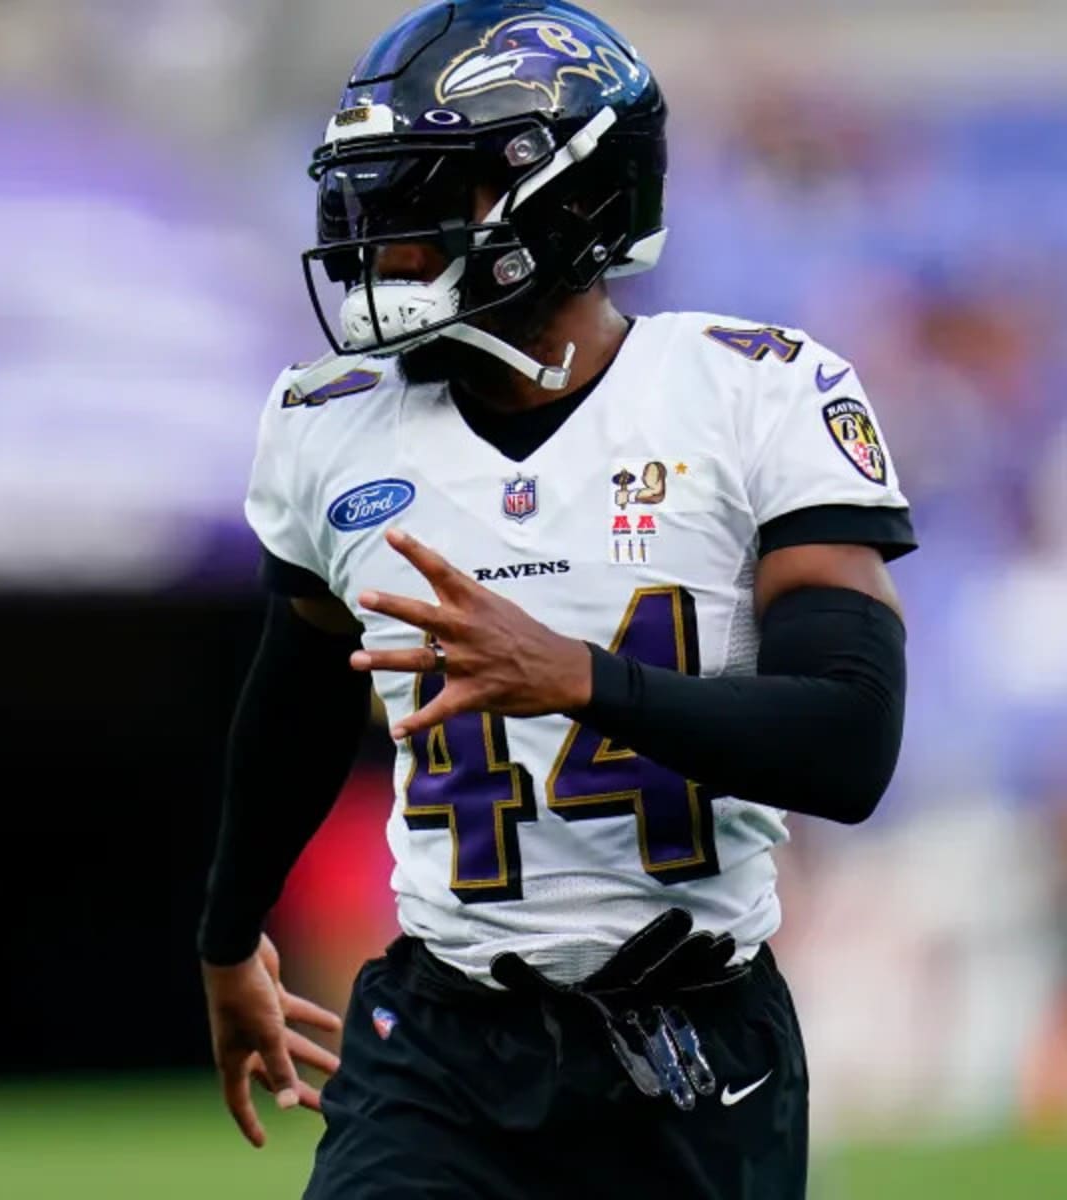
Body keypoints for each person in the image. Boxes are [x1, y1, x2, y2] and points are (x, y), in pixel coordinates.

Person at [198, 3, 917, 1196]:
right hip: (441, 1032)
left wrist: (580, 679)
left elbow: (850, 744)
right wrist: (229, 935)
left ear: (565, 198)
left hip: (695, 1036)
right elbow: (297, 694)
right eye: (373, 197)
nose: (388, 238)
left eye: (433, 193)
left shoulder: (757, 394)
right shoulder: (328, 426)